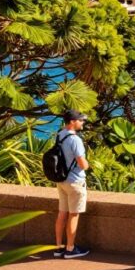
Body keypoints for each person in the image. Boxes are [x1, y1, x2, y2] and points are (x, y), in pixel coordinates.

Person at [54, 110, 90, 259]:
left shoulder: (60, 135)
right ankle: (70, 249)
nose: (83, 123)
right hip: (75, 182)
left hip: (62, 180)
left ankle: (58, 247)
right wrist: (87, 165)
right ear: (72, 121)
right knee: (73, 215)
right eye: (81, 120)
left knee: (62, 213)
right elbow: (82, 164)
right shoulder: (75, 140)